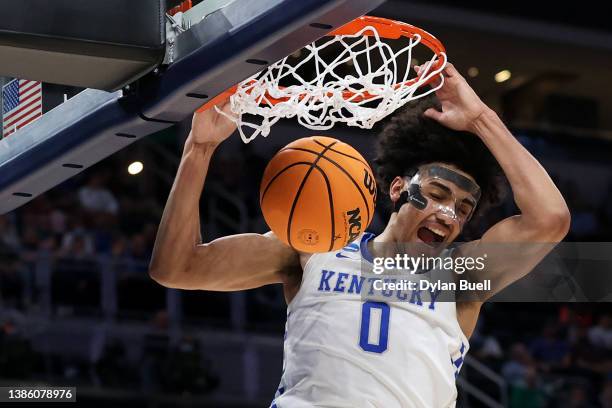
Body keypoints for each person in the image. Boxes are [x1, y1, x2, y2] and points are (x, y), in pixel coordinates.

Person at [149, 63, 570, 407]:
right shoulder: (317, 248)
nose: (449, 214)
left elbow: (549, 218)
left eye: (463, 209)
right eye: (439, 193)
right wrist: (198, 150)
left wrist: (481, 119)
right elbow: (176, 267)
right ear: (397, 188)